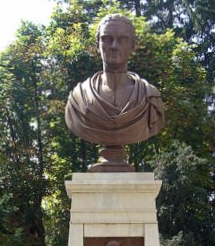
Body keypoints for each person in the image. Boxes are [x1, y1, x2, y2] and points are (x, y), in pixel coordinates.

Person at [65, 14, 164, 169]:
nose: (114, 46)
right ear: (98, 45)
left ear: (132, 46)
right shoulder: (78, 99)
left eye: (122, 39)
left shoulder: (150, 99)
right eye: (107, 38)